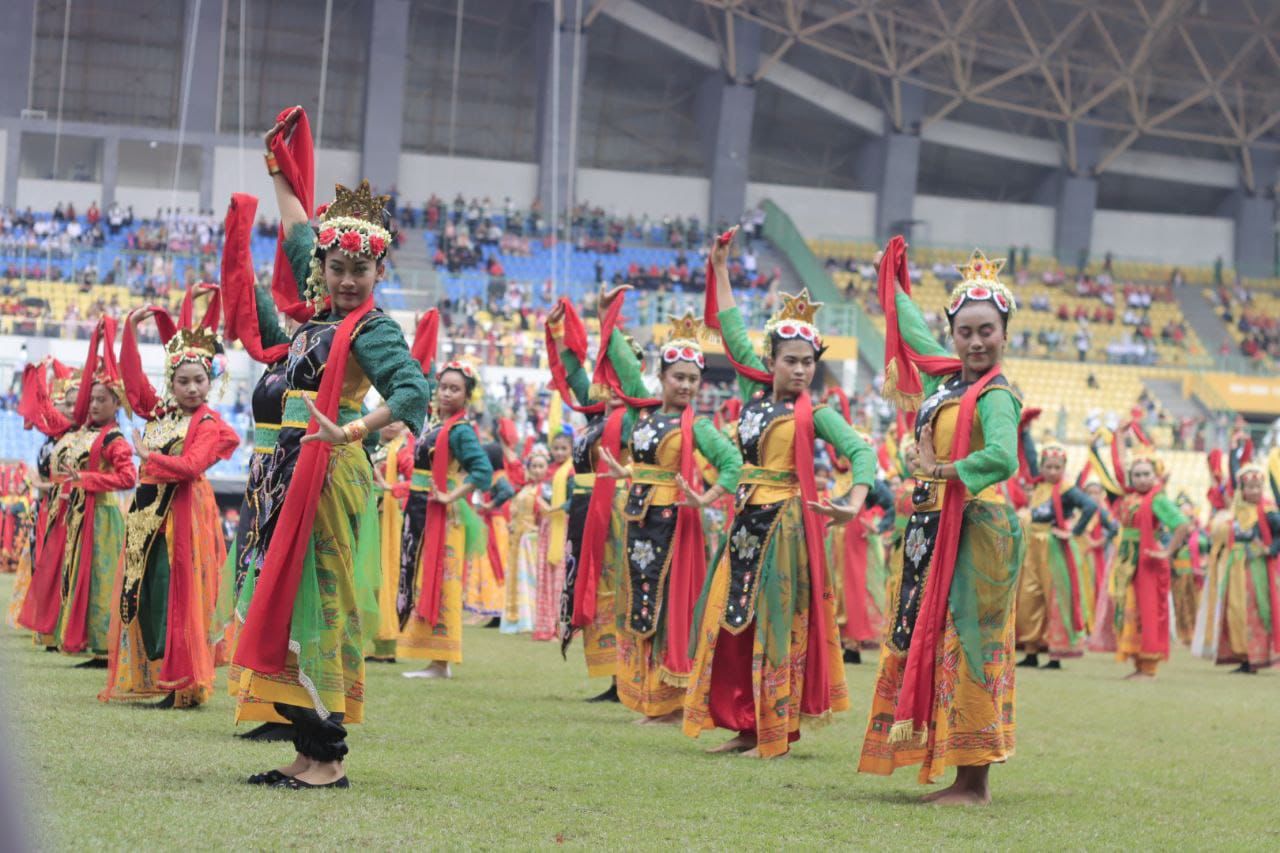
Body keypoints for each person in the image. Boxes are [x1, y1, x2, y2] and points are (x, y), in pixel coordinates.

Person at [232, 106, 431, 790]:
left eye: (360, 270)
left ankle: (330, 757)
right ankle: (305, 747)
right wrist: (278, 167)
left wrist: (348, 430)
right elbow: (294, 228)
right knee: (289, 601)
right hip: (290, 472)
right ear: (322, 268)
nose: (347, 280)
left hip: (328, 472)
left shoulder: (369, 329)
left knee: (322, 602)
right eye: (337, 267)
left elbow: (412, 392)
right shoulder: (319, 317)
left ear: (377, 274)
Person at [683, 228, 874, 759]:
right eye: (790, 360)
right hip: (744, 525)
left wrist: (853, 501)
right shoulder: (753, 394)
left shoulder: (821, 414)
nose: (799, 370)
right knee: (730, 621)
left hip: (785, 530)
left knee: (774, 626)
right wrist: (720, 268)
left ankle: (774, 731)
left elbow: (864, 455)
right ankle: (744, 723)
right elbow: (732, 332)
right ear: (771, 362)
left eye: (808, 362)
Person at [859, 242, 1024, 805]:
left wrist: (944, 468)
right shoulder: (944, 381)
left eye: (987, 331)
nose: (976, 341)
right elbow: (910, 331)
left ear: (1006, 334)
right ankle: (954, 766)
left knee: (970, 643)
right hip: (933, 526)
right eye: (966, 332)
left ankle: (974, 781)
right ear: (952, 335)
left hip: (976, 528)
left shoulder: (998, 394)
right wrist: (894, 277)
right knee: (936, 639)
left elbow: (1003, 457)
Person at [594, 310, 742, 724]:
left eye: (693, 379)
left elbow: (731, 462)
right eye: (678, 377)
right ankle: (649, 697)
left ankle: (670, 702)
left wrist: (705, 497)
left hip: (673, 525)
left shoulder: (700, 426)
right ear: (661, 376)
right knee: (642, 604)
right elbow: (623, 365)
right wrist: (609, 315)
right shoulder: (646, 412)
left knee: (666, 608)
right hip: (640, 520)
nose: (686, 385)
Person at [99, 301, 239, 708]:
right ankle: (154, 673)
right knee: (146, 593)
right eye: (183, 381)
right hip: (146, 517)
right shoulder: (159, 413)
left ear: (209, 382)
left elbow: (192, 466)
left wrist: (149, 458)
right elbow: (132, 379)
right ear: (171, 383)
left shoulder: (210, 425)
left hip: (182, 516)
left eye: (199, 380)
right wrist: (129, 330)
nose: (192, 388)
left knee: (179, 595)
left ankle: (184, 682)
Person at [544, 288, 652, 701]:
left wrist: (608, 320)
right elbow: (574, 376)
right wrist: (558, 332)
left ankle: (626, 675)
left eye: (614, 367)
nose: (606, 377)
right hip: (585, 509)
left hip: (616, 510)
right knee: (595, 586)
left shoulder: (631, 420)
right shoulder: (597, 416)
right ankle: (611, 675)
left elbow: (629, 379)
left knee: (618, 587)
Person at [20, 318, 136, 666]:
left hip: (100, 517)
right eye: (93, 398)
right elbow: (46, 417)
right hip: (72, 516)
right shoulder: (79, 431)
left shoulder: (114, 438)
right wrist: (38, 380)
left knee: (98, 581)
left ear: (116, 404)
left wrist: (88, 480)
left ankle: (100, 643)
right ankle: (68, 634)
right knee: (67, 575)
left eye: (103, 399)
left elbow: (128, 477)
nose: (95, 404)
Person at [397, 357, 492, 679]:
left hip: (443, 513)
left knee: (444, 582)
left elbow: (483, 470)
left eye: (455, 389)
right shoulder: (436, 426)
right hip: (422, 507)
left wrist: (451, 495)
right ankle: (434, 659)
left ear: (467, 396)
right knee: (425, 578)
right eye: (444, 387)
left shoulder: (460, 431)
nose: (447, 393)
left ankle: (441, 661)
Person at [1106, 451, 1189, 679]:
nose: (1142, 479)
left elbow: (1182, 524)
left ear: (1155, 476)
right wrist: (1120, 437)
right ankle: (1139, 664)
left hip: (1146, 561)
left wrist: (1167, 551)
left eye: (1146, 474)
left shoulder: (1157, 499)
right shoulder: (1131, 497)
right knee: (1132, 609)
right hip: (1128, 561)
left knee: (1148, 610)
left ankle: (1149, 666)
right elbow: (1118, 468)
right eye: (1137, 475)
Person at [10, 360, 78, 634]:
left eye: (73, 405)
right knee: (42, 561)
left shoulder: (73, 437)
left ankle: (58, 623)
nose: (67, 410)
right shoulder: (52, 438)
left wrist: (47, 485)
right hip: (46, 507)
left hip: (65, 507)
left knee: (59, 564)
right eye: (64, 404)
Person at [1015, 443, 1098, 669]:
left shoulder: (1066, 489)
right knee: (1030, 597)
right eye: (1048, 467)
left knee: (1055, 599)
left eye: (1057, 467)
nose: (1052, 471)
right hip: (1033, 546)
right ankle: (1031, 651)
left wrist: (1075, 531)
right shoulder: (1040, 485)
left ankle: (1055, 655)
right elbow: (1029, 454)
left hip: (1053, 548)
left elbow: (1090, 506)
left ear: (1064, 468)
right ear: (1041, 468)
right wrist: (1024, 432)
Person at [1197, 465, 1279, 672]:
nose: (1254, 491)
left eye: (1258, 487)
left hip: (1256, 568)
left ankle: (1256, 656)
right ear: (1242, 489)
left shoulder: (1268, 512)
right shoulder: (1234, 513)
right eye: (1250, 487)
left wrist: (1270, 550)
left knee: (1257, 610)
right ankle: (1244, 656)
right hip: (1235, 567)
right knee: (1236, 610)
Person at [368, 421, 412, 662]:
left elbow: (416, 481)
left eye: (398, 419)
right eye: (388, 416)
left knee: (387, 576)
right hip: (367, 515)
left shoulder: (404, 450)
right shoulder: (371, 444)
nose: (392, 424)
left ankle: (385, 645)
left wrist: (391, 488)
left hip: (388, 520)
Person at [501, 445, 551, 634]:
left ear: (547, 468)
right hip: (519, 538)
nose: (538, 470)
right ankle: (519, 618)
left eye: (541, 466)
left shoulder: (546, 489)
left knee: (532, 578)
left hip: (534, 539)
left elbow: (548, 513)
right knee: (517, 577)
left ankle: (534, 617)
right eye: (534, 466)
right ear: (529, 468)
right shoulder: (526, 488)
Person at [532, 431, 572, 641]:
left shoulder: (571, 472)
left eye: (563, 448)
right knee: (546, 574)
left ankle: (560, 627)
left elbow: (574, 499)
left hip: (563, 527)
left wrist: (557, 508)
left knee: (561, 576)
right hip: (548, 527)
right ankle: (545, 625)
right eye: (555, 448)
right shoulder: (549, 472)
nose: (559, 452)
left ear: (571, 450)